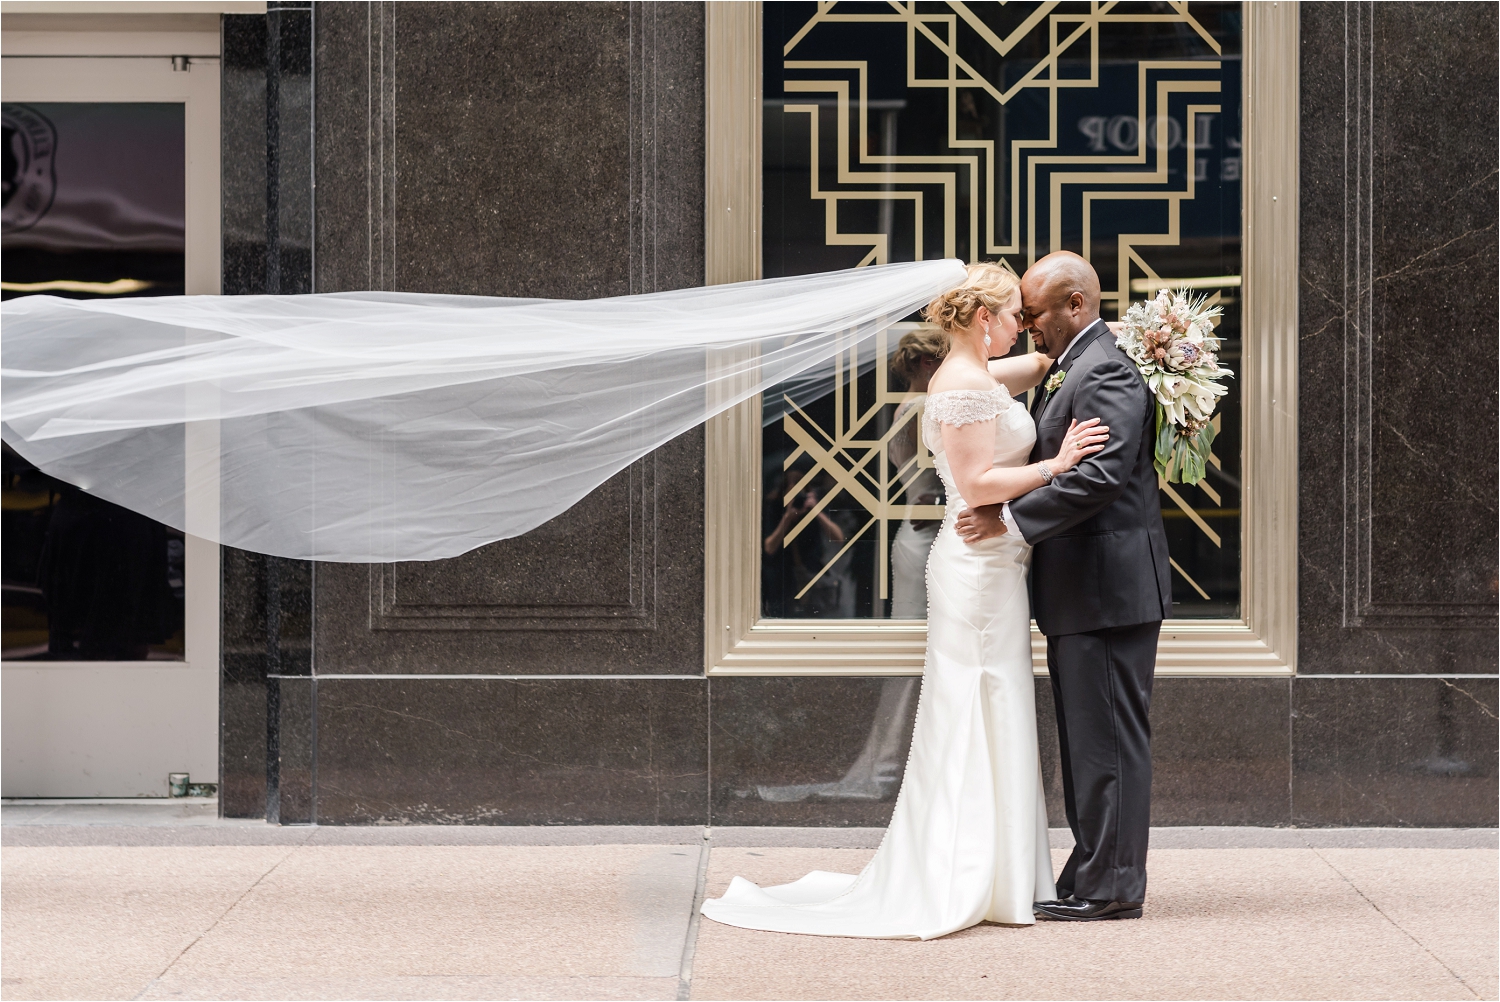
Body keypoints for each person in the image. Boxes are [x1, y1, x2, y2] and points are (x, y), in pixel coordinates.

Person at [699, 262, 1109, 938]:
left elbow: (1037, 367)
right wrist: (1057, 465)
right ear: (985, 320)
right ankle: (972, 870)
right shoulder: (960, 386)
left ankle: (996, 869)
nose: (1024, 327)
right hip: (975, 567)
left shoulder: (979, 374)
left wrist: (1127, 335)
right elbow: (978, 486)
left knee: (994, 697)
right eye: (1014, 316)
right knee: (977, 699)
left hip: (992, 564)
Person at [956, 250, 1172, 922]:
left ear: (1075, 305)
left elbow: (1099, 478)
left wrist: (1009, 523)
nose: (1029, 324)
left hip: (1107, 590)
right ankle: (1091, 872)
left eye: (1037, 311)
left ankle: (1111, 887)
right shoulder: (1076, 363)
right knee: (1090, 740)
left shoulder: (1103, 368)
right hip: (1088, 590)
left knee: (1107, 740)